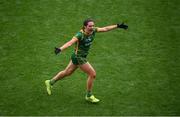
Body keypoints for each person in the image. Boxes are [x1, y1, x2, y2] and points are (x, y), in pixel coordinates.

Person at [45, 19, 128, 103]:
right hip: (79, 57)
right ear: (85, 26)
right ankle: (89, 95)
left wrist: (117, 26)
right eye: (90, 26)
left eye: (93, 25)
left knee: (67, 73)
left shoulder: (93, 30)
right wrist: (60, 49)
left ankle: (50, 82)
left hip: (78, 56)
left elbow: (105, 29)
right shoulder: (80, 35)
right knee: (92, 74)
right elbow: (70, 42)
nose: (92, 27)